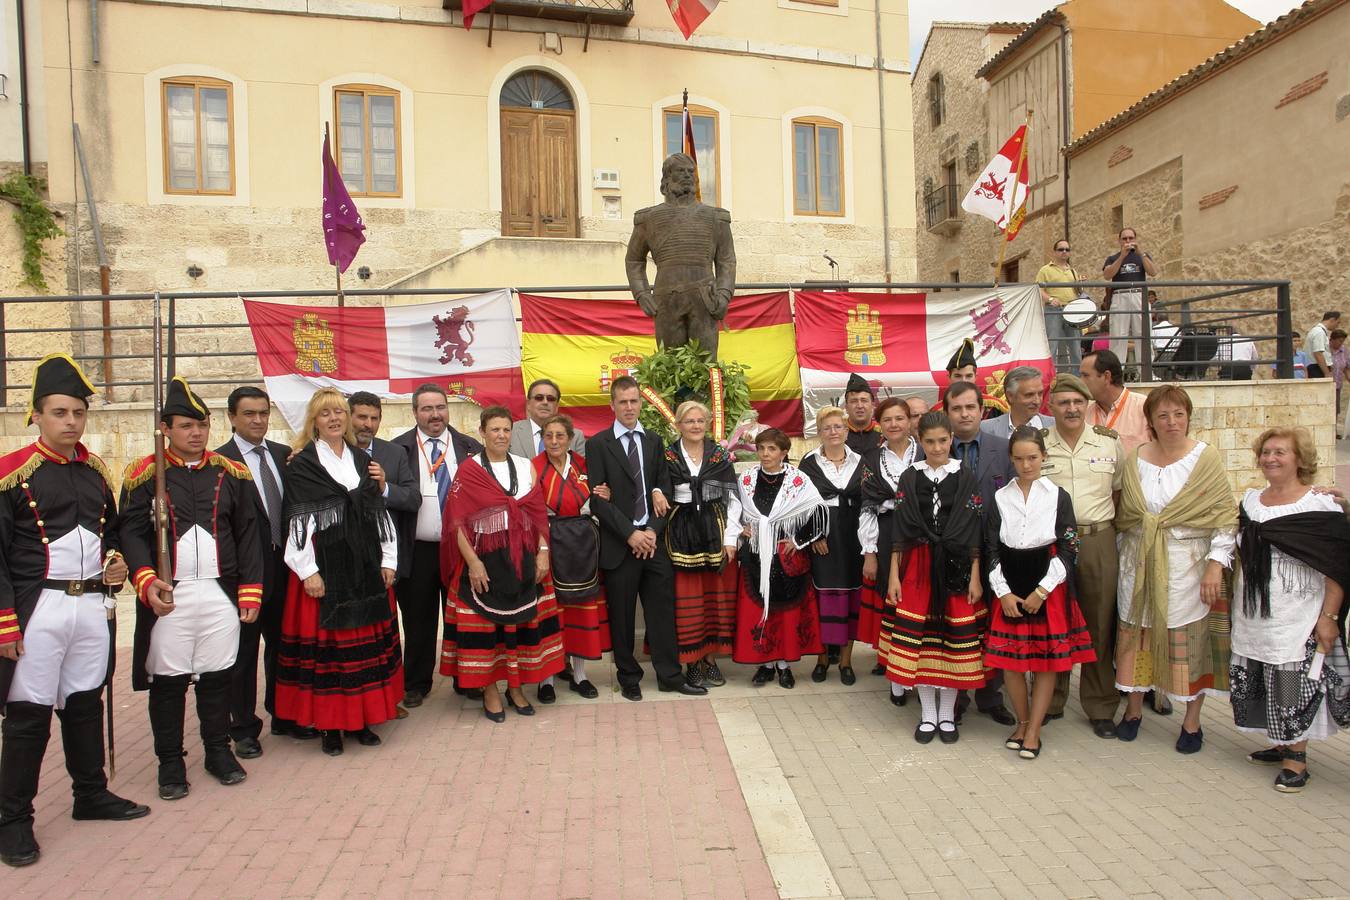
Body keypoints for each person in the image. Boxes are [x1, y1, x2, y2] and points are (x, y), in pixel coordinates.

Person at [0, 355, 148, 869]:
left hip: (89, 606)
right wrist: (5, 623)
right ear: (36, 416)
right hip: (37, 607)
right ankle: (13, 820)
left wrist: (115, 561)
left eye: (78, 413)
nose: (70, 421)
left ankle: (90, 794)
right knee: (28, 716)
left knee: (85, 704)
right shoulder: (13, 476)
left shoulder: (95, 473)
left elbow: (110, 535)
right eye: (59, 412)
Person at [120, 377, 264, 800]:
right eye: (185, 425)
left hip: (220, 591)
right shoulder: (145, 475)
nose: (196, 433)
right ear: (166, 429)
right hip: (171, 593)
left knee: (218, 677)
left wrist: (250, 588)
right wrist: (146, 579)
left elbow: (248, 533)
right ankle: (170, 761)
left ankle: (218, 752)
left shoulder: (230, 473)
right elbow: (130, 533)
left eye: (201, 424)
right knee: (169, 681)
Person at [277, 388, 402, 757]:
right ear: (314, 421)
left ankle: (363, 720)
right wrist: (307, 571)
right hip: (326, 571)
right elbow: (297, 521)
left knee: (364, 651)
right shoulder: (302, 464)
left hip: (364, 566)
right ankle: (331, 726)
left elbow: (379, 513)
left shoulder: (364, 461)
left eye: (338, 413)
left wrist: (389, 559)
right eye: (324, 414)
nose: (334, 419)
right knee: (330, 655)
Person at [1114, 385, 1237, 751]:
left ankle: (1192, 720)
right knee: (1139, 635)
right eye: (1163, 415)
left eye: (1178, 414)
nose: (1172, 422)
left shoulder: (1205, 459)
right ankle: (1134, 709)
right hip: (1138, 562)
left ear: (1188, 417)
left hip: (1188, 563)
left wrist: (1216, 566)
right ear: (1150, 420)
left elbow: (1225, 517)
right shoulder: (1135, 458)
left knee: (1187, 642)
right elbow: (1127, 516)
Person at [1230, 428, 1350, 792]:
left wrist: (1328, 618)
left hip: (1299, 613)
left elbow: (1336, 564)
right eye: (1265, 452)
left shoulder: (1318, 504)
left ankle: (1296, 758)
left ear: (1300, 459)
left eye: (1280, 452)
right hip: (1255, 612)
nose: (1270, 458)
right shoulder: (1251, 501)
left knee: (1292, 683)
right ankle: (1281, 740)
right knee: (1264, 675)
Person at [440, 407, 563, 722]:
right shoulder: (468, 471)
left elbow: (538, 517)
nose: (501, 435)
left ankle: (516, 686)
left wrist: (543, 552)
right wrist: (473, 563)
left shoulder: (525, 467)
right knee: (486, 632)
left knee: (516, 630)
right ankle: (490, 689)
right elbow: (456, 522)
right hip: (483, 561)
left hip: (521, 560)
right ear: (482, 432)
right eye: (494, 429)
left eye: (506, 430)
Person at [588, 376, 705, 699]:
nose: (629, 407)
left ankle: (670, 675)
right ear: (612, 405)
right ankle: (628, 678)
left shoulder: (653, 441)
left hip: (653, 543)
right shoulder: (598, 444)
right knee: (622, 617)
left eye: (634, 401)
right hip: (620, 544)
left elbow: (664, 489)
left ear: (641, 403)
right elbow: (598, 499)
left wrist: (652, 530)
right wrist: (630, 534)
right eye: (622, 401)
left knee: (662, 613)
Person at [984, 426, 1096, 759]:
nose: (1026, 464)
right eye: (1019, 458)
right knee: (1012, 663)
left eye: (1032, 457)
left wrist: (1043, 590)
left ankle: (1034, 728)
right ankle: (1021, 720)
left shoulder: (1057, 496)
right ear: (1011, 460)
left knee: (1045, 662)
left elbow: (1069, 545)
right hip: (1009, 580)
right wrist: (1003, 592)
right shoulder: (1000, 497)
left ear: (1044, 457)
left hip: (1047, 581)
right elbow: (990, 546)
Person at [881, 411, 987, 743]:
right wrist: (893, 577)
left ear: (951, 439)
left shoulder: (965, 475)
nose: (938, 447)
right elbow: (901, 530)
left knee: (952, 642)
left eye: (943, 440)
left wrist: (975, 576)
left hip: (956, 565)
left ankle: (947, 715)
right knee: (922, 643)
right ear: (920, 441)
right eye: (930, 441)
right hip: (918, 566)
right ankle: (928, 713)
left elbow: (973, 531)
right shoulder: (910, 477)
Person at [214, 385, 307, 753]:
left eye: (263, 413)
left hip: (285, 566)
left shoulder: (285, 455)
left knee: (284, 647)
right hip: (244, 573)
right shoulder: (219, 461)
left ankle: (283, 715)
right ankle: (244, 729)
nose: (258, 420)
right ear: (232, 418)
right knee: (244, 653)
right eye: (249, 414)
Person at [1040, 374, 1124, 737]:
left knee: (1099, 624)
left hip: (1098, 539)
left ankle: (1101, 705)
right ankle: (1052, 699)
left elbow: (1120, 493)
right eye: (1063, 402)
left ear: (1087, 405)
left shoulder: (1108, 443)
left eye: (1078, 402)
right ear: (1051, 406)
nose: (1071, 409)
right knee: (1054, 621)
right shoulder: (1040, 444)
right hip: (1053, 543)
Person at [391, 384, 482, 707]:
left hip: (461, 550)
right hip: (418, 549)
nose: (435, 414)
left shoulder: (470, 447)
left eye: (440, 407)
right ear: (415, 412)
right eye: (427, 409)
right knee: (418, 619)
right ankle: (416, 682)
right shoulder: (397, 449)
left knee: (463, 616)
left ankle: (466, 679)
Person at [944, 381, 1015, 726]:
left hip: (996, 553)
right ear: (946, 413)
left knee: (994, 626)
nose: (964, 414)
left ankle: (990, 695)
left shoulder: (1004, 449)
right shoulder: (937, 450)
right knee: (957, 627)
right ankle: (954, 697)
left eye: (970, 407)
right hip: (952, 555)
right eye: (956, 408)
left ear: (982, 409)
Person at [733, 428, 827, 688]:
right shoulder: (747, 479)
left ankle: (784, 666)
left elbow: (819, 513)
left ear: (784, 452)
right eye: (762, 448)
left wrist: (797, 541)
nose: (765, 454)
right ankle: (765, 666)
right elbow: (734, 510)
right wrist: (742, 527)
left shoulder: (798, 480)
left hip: (786, 558)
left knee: (786, 614)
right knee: (759, 610)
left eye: (772, 449)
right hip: (755, 555)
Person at [347, 392, 419, 720]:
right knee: (355, 635)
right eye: (362, 417)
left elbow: (413, 497)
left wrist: (385, 488)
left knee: (387, 632)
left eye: (374, 418)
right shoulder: (333, 451)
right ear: (349, 417)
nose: (368, 425)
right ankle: (356, 703)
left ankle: (389, 698)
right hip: (345, 560)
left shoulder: (393, 453)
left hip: (384, 559)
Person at [661, 402, 741, 688]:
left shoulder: (718, 454)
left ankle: (710, 658)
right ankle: (692, 660)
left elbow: (732, 499)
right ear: (678, 425)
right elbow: (658, 490)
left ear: (707, 424)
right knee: (687, 598)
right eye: (689, 421)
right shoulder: (667, 455)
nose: (695, 426)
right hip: (680, 530)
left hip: (714, 529)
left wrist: (731, 539)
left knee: (715, 598)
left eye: (699, 421)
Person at [532, 414, 609, 701]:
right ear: (542, 438)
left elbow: (598, 497)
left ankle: (580, 675)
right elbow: (530, 512)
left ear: (569, 438)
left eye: (559, 436)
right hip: (548, 543)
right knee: (550, 614)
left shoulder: (583, 465)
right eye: (548, 435)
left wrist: (606, 493)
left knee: (582, 609)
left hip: (583, 545)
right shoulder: (533, 468)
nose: (554, 441)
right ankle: (547, 680)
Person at [799, 407, 865, 684]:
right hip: (823, 536)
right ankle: (823, 658)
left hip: (855, 534)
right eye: (827, 428)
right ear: (820, 432)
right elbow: (799, 504)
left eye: (838, 426)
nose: (833, 432)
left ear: (847, 430)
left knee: (852, 597)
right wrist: (814, 535)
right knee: (823, 598)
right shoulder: (809, 463)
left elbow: (869, 502)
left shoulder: (862, 462)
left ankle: (846, 662)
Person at [859, 398, 922, 686]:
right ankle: (892, 660)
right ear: (879, 425)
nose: (894, 425)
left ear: (909, 421)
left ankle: (921, 658)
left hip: (923, 535)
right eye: (887, 420)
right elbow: (868, 506)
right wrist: (869, 553)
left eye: (899, 418)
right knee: (892, 597)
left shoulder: (925, 452)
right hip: (887, 533)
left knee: (920, 595)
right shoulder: (872, 459)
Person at [1102, 227, 1158, 366]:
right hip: (1120, 295)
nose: (1128, 241)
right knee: (1118, 337)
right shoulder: (1113, 258)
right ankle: (1116, 373)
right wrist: (1122, 256)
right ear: (1119, 240)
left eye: (1131, 238)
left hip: (1139, 295)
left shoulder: (1143, 256)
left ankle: (1146, 372)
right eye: (1124, 238)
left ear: (1135, 239)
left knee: (1144, 334)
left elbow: (1153, 272)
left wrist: (1141, 254)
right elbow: (1107, 275)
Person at [1080, 350, 1150, 453]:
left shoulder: (1145, 408)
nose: (1080, 381)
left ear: (1107, 377)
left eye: (1085, 376)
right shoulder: (1084, 414)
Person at [1037, 239, 1083, 371]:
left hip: (1071, 310)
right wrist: (1050, 299)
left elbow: (1078, 292)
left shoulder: (1073, 271)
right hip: (1053, 310)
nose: (1064, 252)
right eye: (1061, 249)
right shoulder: (1045, 270)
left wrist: (1080, 285)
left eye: (1067, 250)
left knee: (1075, 346)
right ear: (1054, 252)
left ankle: (1077, 378)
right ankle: (1050, 377)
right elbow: (1038, 289)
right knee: (1053, 345)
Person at [511, 378, 586, 458]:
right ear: (528, 404)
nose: (545, 402)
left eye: (550, 399)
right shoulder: (511, 432)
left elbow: (580, 469)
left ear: (557, 406)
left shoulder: (575, 436)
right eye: (539, 398)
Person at [981, 367, 1045, 439]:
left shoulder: (1055, 425)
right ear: (1010, 396)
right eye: (1029, 395)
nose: (1037, 401)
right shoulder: (986, 429)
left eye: (1040, 394)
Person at [843, 373, 883, 454]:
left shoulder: (884, 434)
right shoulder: (838, 434)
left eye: (864, 400)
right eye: (854, 401)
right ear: (846, 407)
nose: (860, 406)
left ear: (872, 405)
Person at [1304, 311, 1340, 379]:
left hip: (1318, 368)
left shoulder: (1319, 331)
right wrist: (1326, 373)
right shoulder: (1319, 332)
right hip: (1317, 369)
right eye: (1337, 322)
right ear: (1332, 320)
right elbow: (1318, 353)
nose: (1337, 325)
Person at [1331, 329, 1347, 438]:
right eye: (1339, 341)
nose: (1341, 343)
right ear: (1332, 340)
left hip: (1337, 384)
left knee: (1335, 409)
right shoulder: (1326, 349)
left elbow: (1347, 367)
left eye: (1342, 341)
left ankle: (1334, 431)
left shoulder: (1345, 351)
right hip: (1327, 383)